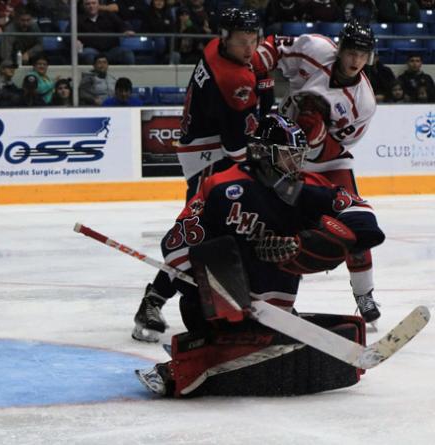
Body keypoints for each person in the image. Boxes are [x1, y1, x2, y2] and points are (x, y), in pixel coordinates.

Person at [135, 114, 385, 397]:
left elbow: (362, 217)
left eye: (299, 156)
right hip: (213, 309)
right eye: (289, 156)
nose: (297, 164)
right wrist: (218, 287)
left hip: (275, 311)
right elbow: (177, 243)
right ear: (262, 152)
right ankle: (201, 350)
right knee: (214, 252)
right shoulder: (220, 186)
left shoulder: (306, 189)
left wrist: (322, 241)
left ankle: (226, 349)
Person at [131, 8, 274, 343]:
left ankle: (231, 300)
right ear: (227, 38)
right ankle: (154, 300)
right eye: (243, 42)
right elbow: (236, 143)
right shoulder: (234, 79)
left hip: (206, 152)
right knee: (200, 232)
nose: (250, 48)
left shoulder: (215, 48)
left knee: (219, 232)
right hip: (212, 158)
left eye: (254, 40)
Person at [254, 20, 382, 324]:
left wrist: (314, 140)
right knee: (274, 229)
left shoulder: (363, 102)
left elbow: (339, 145)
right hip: (282, 152)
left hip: (328, 161)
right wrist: (256, 75)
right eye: (351, 51)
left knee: (353, 223)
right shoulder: (315, 48)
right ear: (339, 49)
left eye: (362, 55)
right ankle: (277, 299)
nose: (355, 60)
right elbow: (271, 48)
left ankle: (364, 293)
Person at [76, 0, 135, 65]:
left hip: (111, 50)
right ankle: (94, 75)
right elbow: (69, 34)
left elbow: (122, 25)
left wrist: (127, 30)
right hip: (91, 50)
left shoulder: (109, 15)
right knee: (87, 54)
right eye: (88, 4)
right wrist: (75, 40)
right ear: (83, 6)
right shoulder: (78, 19)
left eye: (94, 3)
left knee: (126, 53)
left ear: (98, 5)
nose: (91, 6)